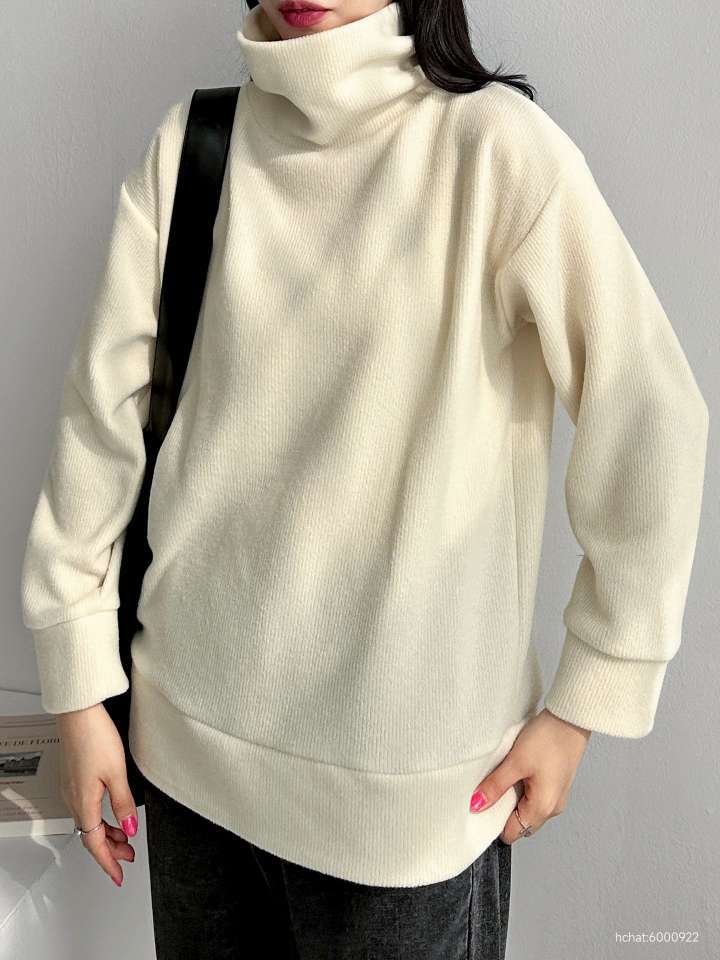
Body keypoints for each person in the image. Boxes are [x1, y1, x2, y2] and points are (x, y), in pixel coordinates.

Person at [20, 0, 709, 957]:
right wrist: (78, 692)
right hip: (184, 762)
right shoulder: (196, 144)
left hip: (409, 814)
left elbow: (651, 417)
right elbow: (98, 422)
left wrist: (587, 701)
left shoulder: (496, 152)